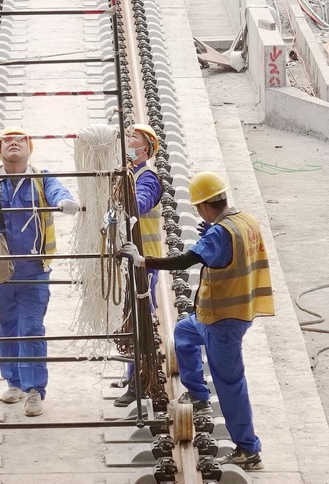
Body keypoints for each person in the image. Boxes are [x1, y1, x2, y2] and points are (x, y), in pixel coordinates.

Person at [141, 170, 273, 473]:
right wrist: (212, 236)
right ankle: (199, 395)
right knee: (184, 333)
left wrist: (143, 260)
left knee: (230, 384)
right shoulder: (244, 221)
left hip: (223, 320)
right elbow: (228, 253)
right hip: (220, 314)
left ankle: (249, 450)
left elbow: (186, 260)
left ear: (202, 206)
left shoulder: (220, 232)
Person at [0, 128, 79, 417]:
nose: (13, 143)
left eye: (19, 139)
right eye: (7, 140)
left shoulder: (41, 178)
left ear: (29, 147)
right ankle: (15, 382)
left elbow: (57, 190)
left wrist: (63, 200)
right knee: (5, 327)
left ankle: (35, 390)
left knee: (31, 327)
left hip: (33, 270)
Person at [114, 123, 164, 407]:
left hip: (144, 262)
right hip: (131, 260)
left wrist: (121, 187)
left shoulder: (147, 178)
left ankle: (138, 383)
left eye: (134, 137)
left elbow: (139, 204)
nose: (128, 140)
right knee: (129, 319)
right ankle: (132, 373)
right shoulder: (130, 174)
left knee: (140, 320)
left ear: (145, 148)